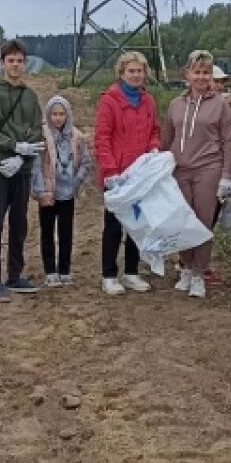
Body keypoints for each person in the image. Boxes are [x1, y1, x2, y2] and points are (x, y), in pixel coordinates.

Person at [161, 49, 231, 299]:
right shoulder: (176, 105)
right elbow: (167, 140)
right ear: (187, 74)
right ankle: (184, 267)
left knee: (202, 223)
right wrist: (162, 169)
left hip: (209, 169)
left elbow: (228, 141)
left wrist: (226, 175)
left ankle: (199, 273)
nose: (201, 77)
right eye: (197, 72)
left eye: (206, 72)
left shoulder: (221, 106)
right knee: (183, 221)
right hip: (181, 170)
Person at [0, 39, 45, 301]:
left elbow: (37, 129)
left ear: (24, 64)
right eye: (11, 61)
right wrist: (12, 147)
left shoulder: (30, 96)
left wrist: (22, 157)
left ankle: (15, 274)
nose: (15, 65)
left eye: (19, 61)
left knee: (19, 223)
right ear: (3, 63)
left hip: (22, 169)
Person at [95, 51, 160, 297]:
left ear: (145, 74)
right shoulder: (110, 100)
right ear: (121, 73)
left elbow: (155, 128)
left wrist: (154, 146)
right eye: (130, 71)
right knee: (113, 225)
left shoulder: (149, 101)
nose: (135, 75)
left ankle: (132, 272)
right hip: (118, 174)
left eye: (139, 71)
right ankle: (109, 274)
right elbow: (102, 137)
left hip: (141, 173)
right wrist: (110, 170)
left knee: (138, 224)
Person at [31, 95, 91, 289]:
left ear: (68, 115)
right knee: (47, 232)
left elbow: (86, 162)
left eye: (61, 114)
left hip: (68, 193)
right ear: (48, 115)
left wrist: (76, 181)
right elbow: (36, 165)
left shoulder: (77, 136)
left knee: (66, 233)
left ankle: (64, 270)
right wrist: (40, 191)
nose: (58, 118)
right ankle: (50, 271)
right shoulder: (41, 136)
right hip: (48, 193)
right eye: (54, 114)